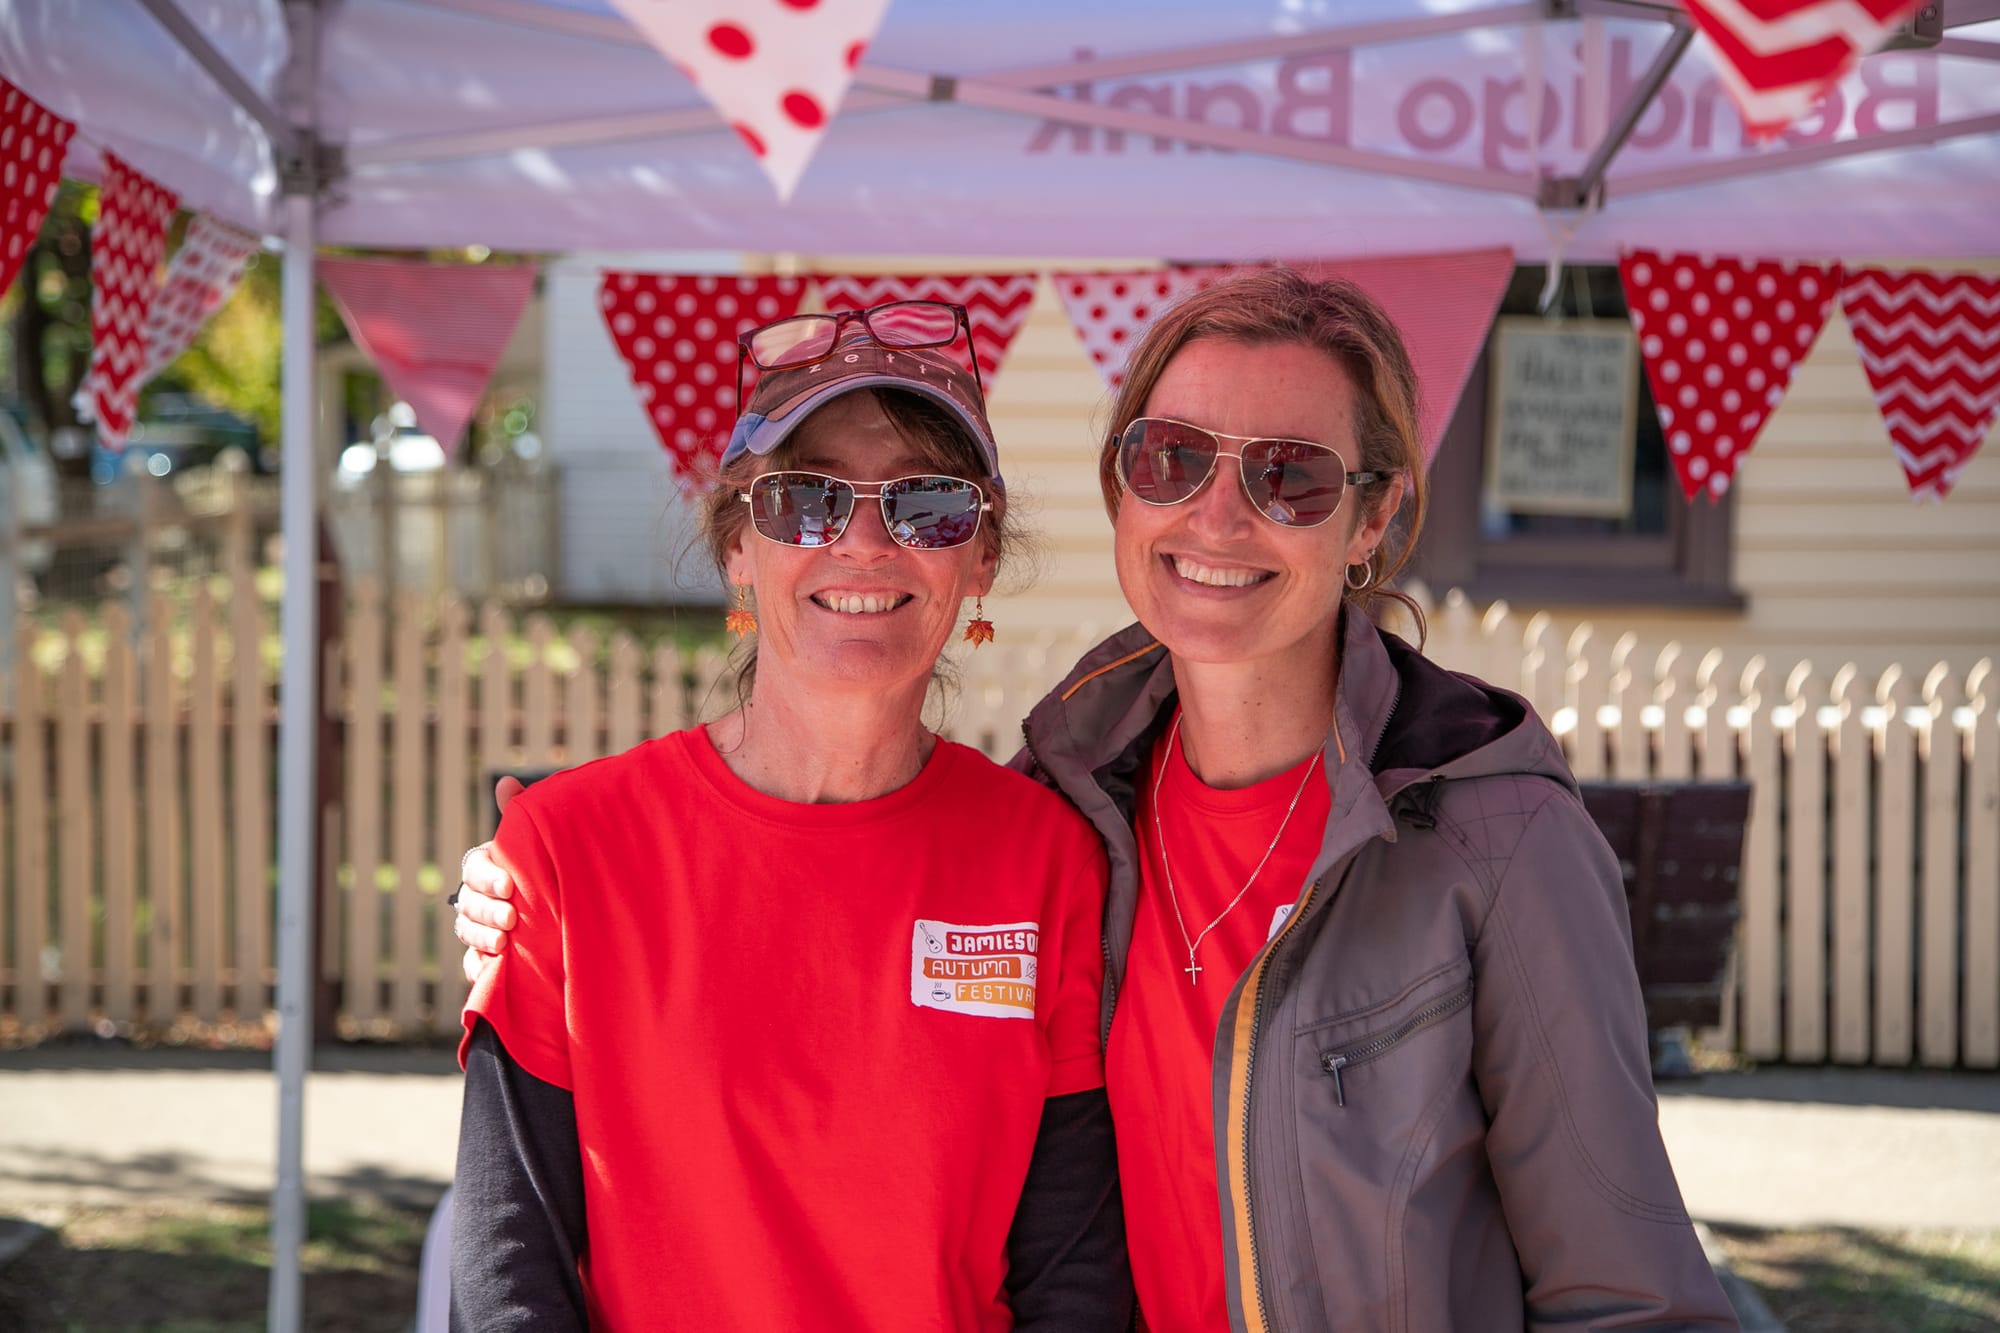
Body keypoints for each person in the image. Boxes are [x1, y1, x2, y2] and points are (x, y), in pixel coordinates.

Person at [457, 270, 1738, 1331]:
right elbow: (511, 1273)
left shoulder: (1474, 834)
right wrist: (527, 884)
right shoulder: (1085, 809)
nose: (1218, 514)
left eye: (1288, 475)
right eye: (1172, 457)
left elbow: (1626, 1295)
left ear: (1372, 517)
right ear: (737, 541)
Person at [449, 299, 1131, 1331]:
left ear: (979, 560)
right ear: (737, 544)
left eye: (928, 504)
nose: (862, 541)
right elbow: (509, 1276)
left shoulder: (1046, 861)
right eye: (803, 499)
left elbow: (1070, 1278)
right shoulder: (564, 848)